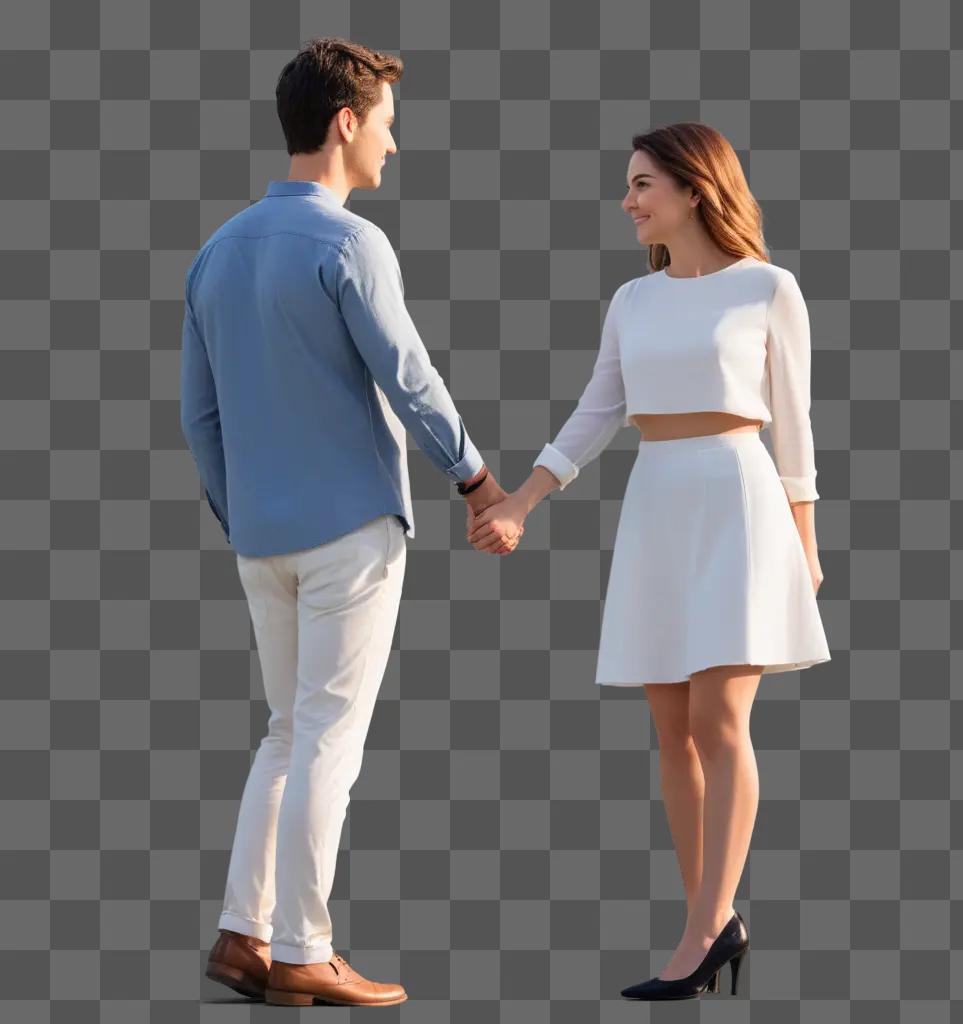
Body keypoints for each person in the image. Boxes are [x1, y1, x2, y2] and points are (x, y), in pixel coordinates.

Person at [186, 39, 522, 1008]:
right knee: (329, 736)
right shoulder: (349, 244)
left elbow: (196, 417)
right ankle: (303, 948)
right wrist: (475, 478)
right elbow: (408, 376)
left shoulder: (216, 252)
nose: (392, 144)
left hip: (260, 537)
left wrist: (238, 507)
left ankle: (241, 934)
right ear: (345, 123)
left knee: (285, 730)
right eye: (385, 122)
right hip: (348, 535)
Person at [468, 121, 831, 1000]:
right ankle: (714, 921)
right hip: (658, 501)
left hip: (740, 502)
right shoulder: (634, 301)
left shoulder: (770, 289)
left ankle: (704, 930)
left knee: (720, 726)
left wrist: (806, 544)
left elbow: (795, 427)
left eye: (641, 186)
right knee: (671, 731)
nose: (626, 202)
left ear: (694, 188)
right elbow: (597, 413)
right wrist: (517, 500)